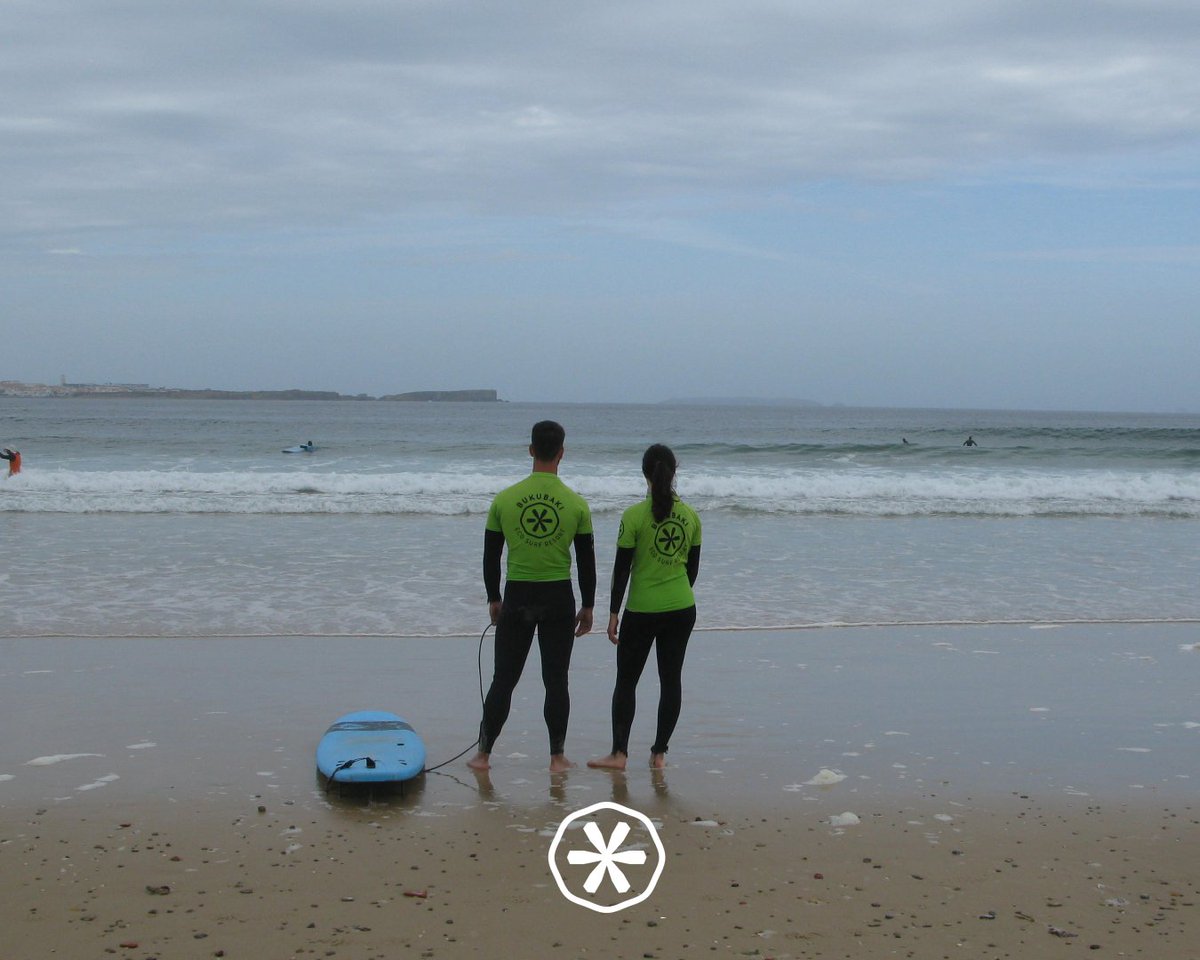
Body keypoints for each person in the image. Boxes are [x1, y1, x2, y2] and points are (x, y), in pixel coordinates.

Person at [468, 421, 595, 773]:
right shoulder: (576, 504)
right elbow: (586, 561)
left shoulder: (504, 500)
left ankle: (482, 756)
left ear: (530, 450)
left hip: (517, 595)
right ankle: (557, 758)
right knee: (556, 680)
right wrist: (588, 605)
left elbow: (491, 556)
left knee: (504, 679)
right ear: (562, 453)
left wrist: (494, 597)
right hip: (558, 598)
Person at [588, 444, 701, 772]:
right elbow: (691, 572)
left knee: (626, 681)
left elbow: (621, 570)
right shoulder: (691, 517)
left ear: (644, 474)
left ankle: (619, 755)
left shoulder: (633, 516)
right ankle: (659, 754)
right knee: (671, 680)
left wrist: (613, 613)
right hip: (682, 608)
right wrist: (674, 594)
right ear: (674, 472)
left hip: (642, 610)